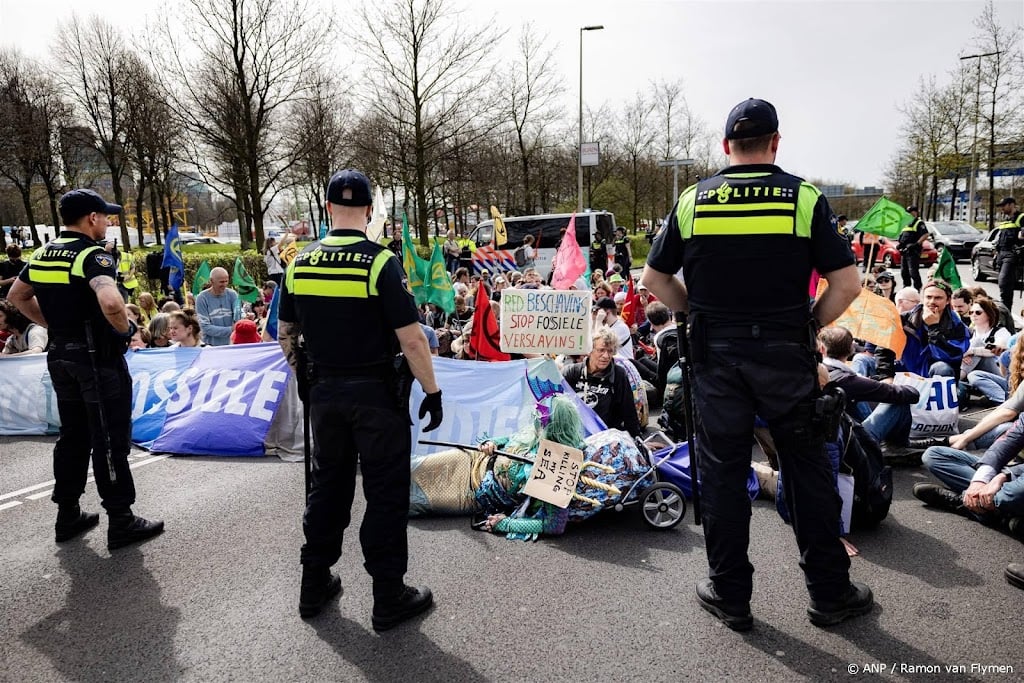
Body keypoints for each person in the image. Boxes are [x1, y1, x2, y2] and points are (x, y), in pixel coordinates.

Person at [641, 98, 868, 630]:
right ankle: (830, 594)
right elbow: (848, 283)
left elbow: (653, 280)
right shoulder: (804, 198)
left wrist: (693, 309)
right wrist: (808, 325)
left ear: (725, 147)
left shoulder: (694, 200)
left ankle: (730, 595)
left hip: (716, 358)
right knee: (808, 471)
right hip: (786, 355)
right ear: (776, 143)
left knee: (721, 475)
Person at [277, 169, 442, 629]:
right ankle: (388, 596)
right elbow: (412, 341)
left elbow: (285, 335)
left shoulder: (299, 264)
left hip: (325, 395)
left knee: (327, 487)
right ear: (369, 211)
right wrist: (432, 391)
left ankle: (314, 584)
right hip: (376, 398)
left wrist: (308, 381)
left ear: (328, 209)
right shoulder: (379, 263)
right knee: (385, 495)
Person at [6, 188, 163, 549]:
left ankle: (68, 514)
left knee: (73, 437)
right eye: (105, 216)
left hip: (61, 357)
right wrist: (125, 329)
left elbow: (17, 296)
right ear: (91, 218)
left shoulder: (43, 254)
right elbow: (110, 300)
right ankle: (121, 520)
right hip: (97, 359)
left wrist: (51, 326)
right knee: (109, 440)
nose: (107, 221)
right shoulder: (92, 256)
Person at [561, 328, 642, 437]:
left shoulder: (618, 374)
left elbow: (628, 411)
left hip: (605, 437)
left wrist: (637, 440)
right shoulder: (572, 372)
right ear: (589, 350)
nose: (606, 356)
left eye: (610, 351)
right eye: (601, 350)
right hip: (574, 435)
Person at [899, 280, 970, 378]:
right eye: (928, 297)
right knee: (870, 362)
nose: (932, 302)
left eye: (938, 298)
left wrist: (933, 328)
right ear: (922, 298)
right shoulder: (904, 319)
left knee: (942, 367)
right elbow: (885, 350)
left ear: (948, 300)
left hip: (934, 375)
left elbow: (948, 357)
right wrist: (886, 377)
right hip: (906, 371)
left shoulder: (956, 325)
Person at [194, 266, 241, 346]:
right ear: (211, 281)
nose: (225, 284)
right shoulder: (202, 298)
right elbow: (205, 327)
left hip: (232, 344)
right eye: (221, 282)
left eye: (226, 281)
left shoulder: (233, 294)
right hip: (211, 346)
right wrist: (231, 329)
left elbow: (238, 316)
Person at [994, 197, 1024, 313]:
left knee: (1004, 282)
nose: (1002, 208)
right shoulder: (1005, 220)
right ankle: (1006, 314)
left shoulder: (1021, 217)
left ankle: (1005, 313)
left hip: (1012, 254)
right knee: (1004, 287)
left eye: (1004, 205)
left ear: (1012, 205)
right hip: (1001, 254)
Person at [897, 205, 928, 290]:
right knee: (904, 272)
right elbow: (902, 236)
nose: (909, 214)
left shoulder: (919, 222)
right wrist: (900, 244)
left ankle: (918, 288)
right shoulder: (905, 223)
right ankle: (906, 288)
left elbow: (925, 235)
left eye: (911, 212)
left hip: (913, 251)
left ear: (915, 212)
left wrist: (916, 244)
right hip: (905, 251)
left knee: (913, 272)